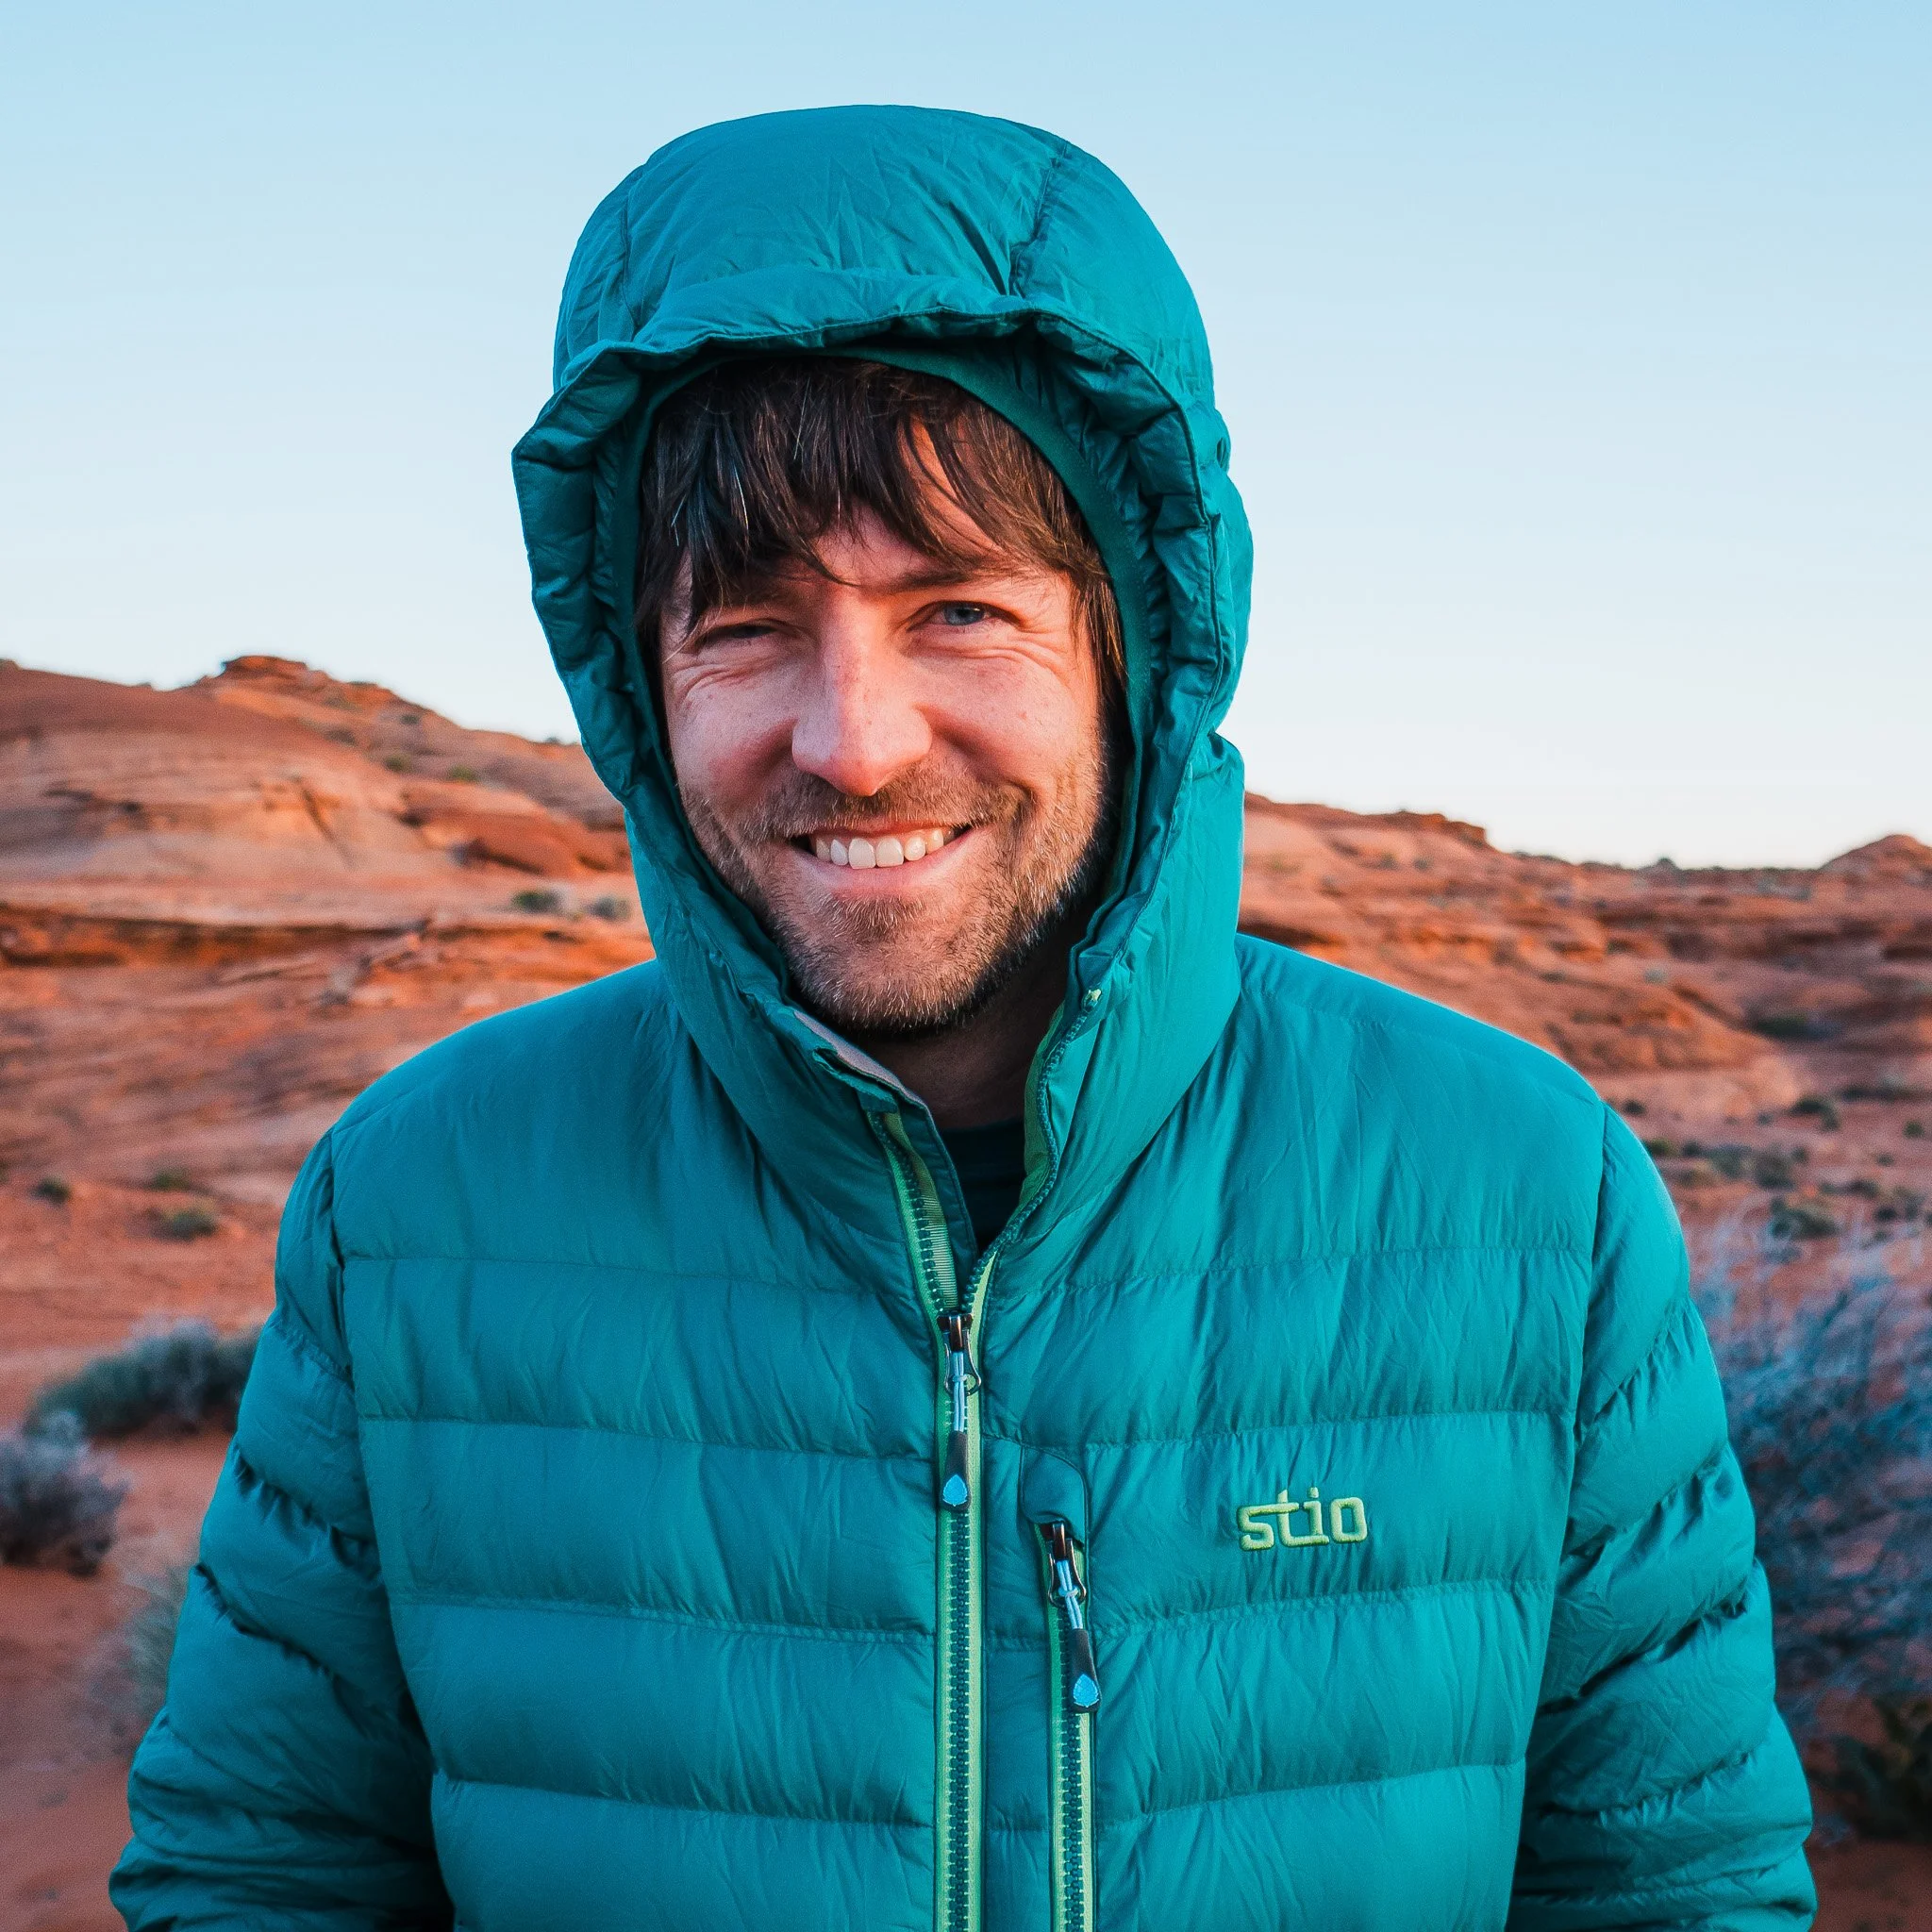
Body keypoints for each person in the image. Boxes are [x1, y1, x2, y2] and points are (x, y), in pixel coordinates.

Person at [113, 106, 1815, 1930]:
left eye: (960, 609)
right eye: (747, 628)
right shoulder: (421, 1203)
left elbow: (1673, 1891)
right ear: (635, 681)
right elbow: (262, 1878)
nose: (851, 741)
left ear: (1135, 645)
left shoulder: (1519, 1195)